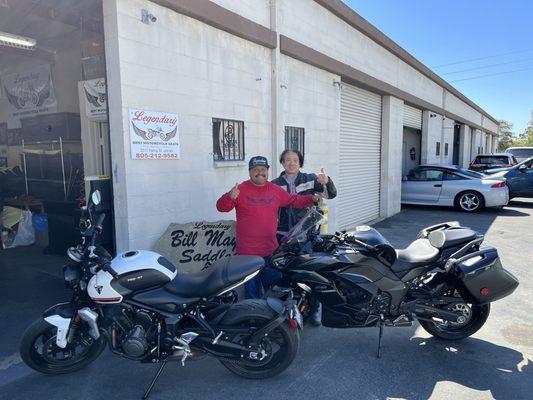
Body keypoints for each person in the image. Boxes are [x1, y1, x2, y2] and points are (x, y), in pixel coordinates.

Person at [216, 155, 321, 299]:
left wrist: (311, 198)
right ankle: (252, 319)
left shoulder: (275, 190)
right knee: (251, 294)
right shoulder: (240, 189)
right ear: (249, 172)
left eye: (263, 169)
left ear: (268, 171)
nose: (260, 172)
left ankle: (271, 320)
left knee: (273, 291)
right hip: (247, 255)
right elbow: (221, 208)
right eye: (255, 170)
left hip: (270, 251)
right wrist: (229, 197)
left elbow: (294, 200)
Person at [272, 149, 337, 325]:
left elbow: (330, 195)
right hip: (283, 235)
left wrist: (326, 182)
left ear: (300, 162)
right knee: (287, 273)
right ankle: (288, 311)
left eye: (295, 160)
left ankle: (314, 310)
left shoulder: (310, 179)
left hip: (307, 235)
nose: (291, 163)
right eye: (287, 160)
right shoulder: (275, 184)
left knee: (310, 273)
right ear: (282, 163)